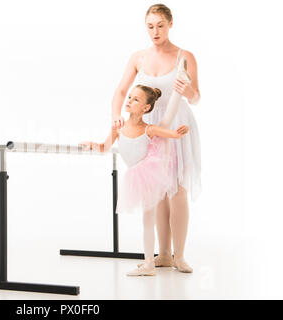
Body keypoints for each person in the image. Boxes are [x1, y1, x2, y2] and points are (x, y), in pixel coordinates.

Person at [111, 4, 201, 273]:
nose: (155, 31)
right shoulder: (138, 57)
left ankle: (180, 255)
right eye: (150, 26)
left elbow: (197, 98)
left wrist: (188, 91)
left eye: (160, 25)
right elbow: (121, 91)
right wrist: (117, 116)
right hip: (149, 125)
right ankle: (163, 254)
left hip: (177, 125)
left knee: (178, 189)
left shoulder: (185, 56)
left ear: (171, 24)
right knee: (157, 191)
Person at [79, 84, 188, 276]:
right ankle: (149, 263)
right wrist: (92, 144)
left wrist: (180, 131)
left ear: (146, 108)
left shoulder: (149, 129)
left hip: (149, 175)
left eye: (135, 99)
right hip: (136, 175)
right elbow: (104, 147)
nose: (129, 101)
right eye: (129, 97)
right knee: (147, 219)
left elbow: (172, 134)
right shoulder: (118, 127)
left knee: (147, 219)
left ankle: (149, 264)